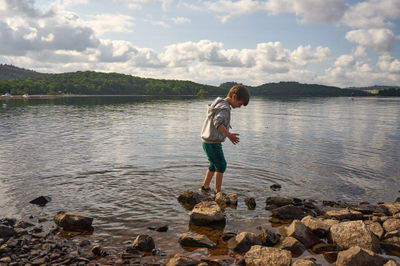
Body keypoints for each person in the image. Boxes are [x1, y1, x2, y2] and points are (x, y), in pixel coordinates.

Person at [200, 85, 250, 193]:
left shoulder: (218, 103)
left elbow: (216, 118)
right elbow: (217, 122)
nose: (239, 107)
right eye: (240, 104)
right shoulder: (225, 108)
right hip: (213, 142)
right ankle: (218, 192)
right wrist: (229, 134)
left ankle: (205, 187)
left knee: (214, 164)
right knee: (221, 164)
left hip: (207, 141)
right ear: (234, 97)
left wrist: (227, 124)